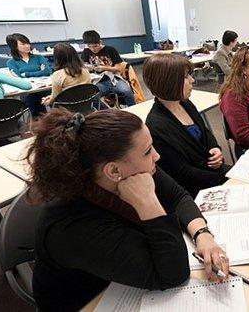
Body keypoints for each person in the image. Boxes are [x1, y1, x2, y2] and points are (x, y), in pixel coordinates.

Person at [27, 108, 229, 311]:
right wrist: (149, 203)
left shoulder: (127, 169)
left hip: (121, 283)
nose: (156, 156)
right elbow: (174, 273)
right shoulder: (71, 227)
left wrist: (202, 235)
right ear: (113, 170)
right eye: (148, 151)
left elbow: (178, 197)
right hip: (91, 302)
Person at [144, 54, 231, 197]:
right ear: (168, 82)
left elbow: (204, 130)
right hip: (195, 189)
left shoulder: (184, 103)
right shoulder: (156, 126)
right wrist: (223, 176)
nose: (192, 80)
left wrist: (214, 147)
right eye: (185, 77)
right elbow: (183, 172)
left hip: (211, 171)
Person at [81, 30, 136, 106]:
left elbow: (118, 68)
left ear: (100, 42)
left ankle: (133, 110)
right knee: (92, 97)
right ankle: (106, 112)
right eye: (89, 46)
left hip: (114, 78)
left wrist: (103, 68)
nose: (93, 49)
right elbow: (83, 66)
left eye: (95, 46)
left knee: (127, 91)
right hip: (98, 80)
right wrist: (88, 68)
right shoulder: (86, 51)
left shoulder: (110, 50)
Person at [6, 33, 52, 115]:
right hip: (28, 90)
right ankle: (39, 120)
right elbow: (18, 77)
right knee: (33, 98)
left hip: (44, 87)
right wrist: (39, 71)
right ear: (14, 46)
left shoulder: (39, 57)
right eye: (23, 44)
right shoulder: (11, 62)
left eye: (27, 43)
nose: (27, 46)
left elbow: (48, 71)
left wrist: (26, 74)